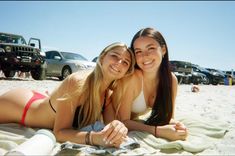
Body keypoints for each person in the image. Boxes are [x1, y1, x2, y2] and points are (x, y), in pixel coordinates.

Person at [0, 42, 135, 148]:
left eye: (125, 62)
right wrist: (94, 138)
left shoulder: (108, 94)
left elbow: (109, 126)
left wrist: (118, 127)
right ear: (102, 57)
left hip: (43, 100)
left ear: (126, 71)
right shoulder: (78, 82)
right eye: (115, 56)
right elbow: (59, 133)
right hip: (20, 107)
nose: (119, 63)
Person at [110, 27, 188, 141]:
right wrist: (157, 131)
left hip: (131, 125)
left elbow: (167, 118)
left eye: (150, 48)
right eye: (138, 51)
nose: (144, 56)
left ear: (163, 50)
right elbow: (124, 122)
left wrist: (179, 127)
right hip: (106, 122)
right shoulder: (133, 78)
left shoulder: (171, 80)